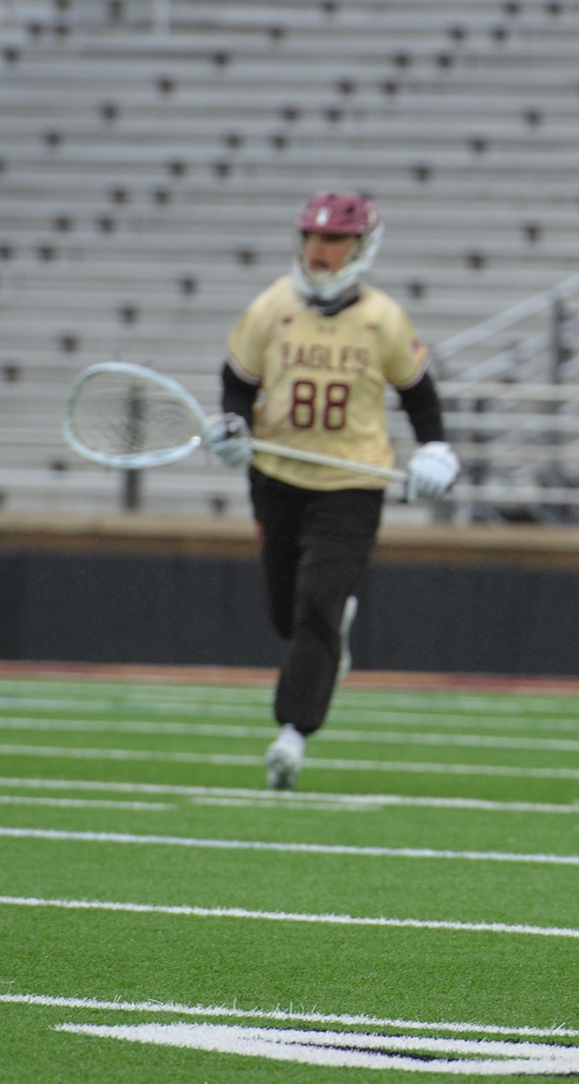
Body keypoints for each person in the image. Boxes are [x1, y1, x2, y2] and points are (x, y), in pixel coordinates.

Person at [206, 192, 460, 790]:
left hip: (353, 481)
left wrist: (435, 449)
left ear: (361, 246)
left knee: (318, 603)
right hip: (277, 475)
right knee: (285, 614)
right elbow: (236, 383)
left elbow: (419, 395)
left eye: (334, 240)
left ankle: (292, 733)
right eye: (313, 238)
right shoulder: (272, 305)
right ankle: (325, 646)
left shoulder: (383, 318)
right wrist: (232, 426)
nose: (319, 252)